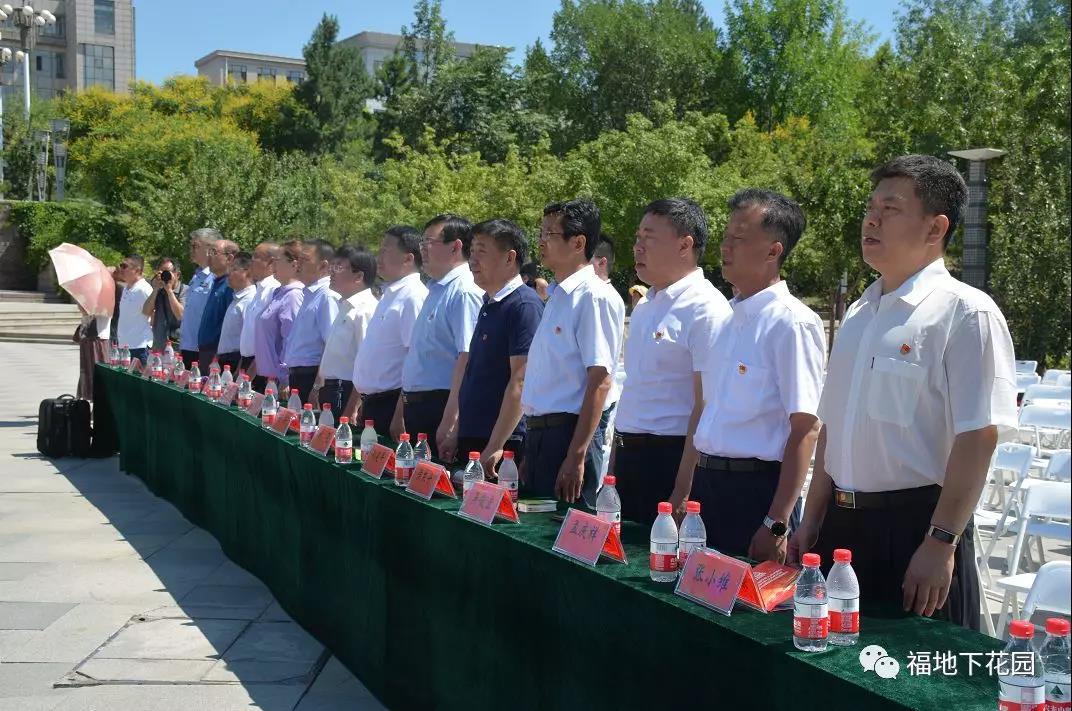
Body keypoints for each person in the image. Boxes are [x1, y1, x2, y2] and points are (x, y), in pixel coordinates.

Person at [788, 155, 1017, 630]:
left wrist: (940, 541)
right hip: (841, 529)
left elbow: (978, 437)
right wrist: (811, 520)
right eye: (870, 208)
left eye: (890, 209)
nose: (871, 220)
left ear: (935, 228)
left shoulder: (965, 313)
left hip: (916, 532)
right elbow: (832, 428)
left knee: (918, 669)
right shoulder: (859, 313)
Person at [691, 189, 826, 562]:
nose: (726, 247)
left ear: (773, 251)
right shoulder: (727, 319)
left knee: (752, 599)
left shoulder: (792, 323)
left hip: (756, 494)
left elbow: (805, 428)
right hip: (708, 486)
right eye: (726, 236)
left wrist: (776, 522)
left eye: (739, 238)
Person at [611, 198, 731, 526]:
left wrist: (683, 489)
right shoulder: (646, 305)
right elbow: (634, 391)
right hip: (629, 457)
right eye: (637, 238)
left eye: (649, 238)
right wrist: (613, 468)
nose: (637, 247)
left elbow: (706, 404)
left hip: (670, 460)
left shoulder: (706, 307)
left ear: (684, 245)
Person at [520, 199, 625, 507]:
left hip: (570, 434)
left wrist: (576, 455)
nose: (541, 241)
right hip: (541, 434)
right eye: (540, 233)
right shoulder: (558, 295)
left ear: (578, 243)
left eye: (550, 233)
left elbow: (600, 381)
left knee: (566, 527)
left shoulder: (593, 296)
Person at [454, 218, 544, 474]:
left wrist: (495, 446)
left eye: (481, 251)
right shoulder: (490, 302)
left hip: (501, 446)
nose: (472, 260)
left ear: (509, 258)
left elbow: (521, 380)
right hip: (475, 437)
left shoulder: (523, 305)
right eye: (471, 251)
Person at [397, 214, 483, 460]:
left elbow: (467, 357)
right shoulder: (436, 289)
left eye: (429, 242)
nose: (422, 249)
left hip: (441, 405)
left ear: (455, 247)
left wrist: (451, 419)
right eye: (422, 242)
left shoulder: (464, 290)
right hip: (420, 407)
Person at [346, 226, 428, 436]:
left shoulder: (413, 297)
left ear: (408, 259)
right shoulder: (390, 293)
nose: (378, 256)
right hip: (373, 403)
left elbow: (415, 359)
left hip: (392, 405)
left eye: (385, 250)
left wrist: (400, 415)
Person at [314, 246, 378, 414]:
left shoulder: (365, 310)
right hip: (331, 389)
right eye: (332, 266)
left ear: (358, 276)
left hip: (346, 392)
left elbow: (367, 365)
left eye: (338, 267)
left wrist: (353, 408)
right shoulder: (345, 306)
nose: (331, 272)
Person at [283, 240, 339, 402]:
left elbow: (331, 345)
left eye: (304, 259)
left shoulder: (327, 295)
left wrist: (317, 386)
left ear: (323, 265)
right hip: (299, 375)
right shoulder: (310, 294)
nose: (297, 264)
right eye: (298, 259)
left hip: (311, 376)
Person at [253, 240, 305, 393]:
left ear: (294, 264)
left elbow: (290, 339)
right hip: (268, 377)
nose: (273, 264)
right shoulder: (279, 292)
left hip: (279, 381)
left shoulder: (294, 295)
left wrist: (286, 378)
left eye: (277, 260)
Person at [238, 242, 281, 376]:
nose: (251, 260)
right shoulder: (260, 289)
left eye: (256, 256)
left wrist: (253, 369)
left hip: (260, 366)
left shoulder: (274, 289)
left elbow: (272, 335)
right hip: (247, 362)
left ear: (271, 262)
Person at [178, 228, 219, 367]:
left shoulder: (216, 277)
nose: (191, 249)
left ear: (210, 249)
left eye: (195, 246)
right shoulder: (196, 276)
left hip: (203, 349)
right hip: (187, 346)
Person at [196, 238, 239, 366]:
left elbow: (230, 324)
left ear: (229, 258)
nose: (209, 256)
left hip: (216, 354)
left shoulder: (230, 285)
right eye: (209, 252)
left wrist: (217, 355)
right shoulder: (216, 281)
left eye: (214, 252)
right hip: (205, 351)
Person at [215, 252, 256, 374]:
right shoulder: (237, 298)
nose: (229, 273)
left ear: (248, 272)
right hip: (225, 361)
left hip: (236, 362)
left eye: (234, 269)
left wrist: (239, 371)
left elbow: (250, 342)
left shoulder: (250, 300)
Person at [114, 254, 153, 364]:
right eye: (121, 265)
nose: (121, 269)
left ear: (137, 270)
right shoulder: (126, 288)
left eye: (124, 266)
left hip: (139, 347)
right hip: (125, 346)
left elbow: (154, 315)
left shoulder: (144, 289)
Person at [141, 256, 185, 352]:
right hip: (158, 347)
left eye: (167, 272)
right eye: (161, 272)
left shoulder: (185, 290)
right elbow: (146, 312)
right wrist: (156, 288)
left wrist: (169, 291)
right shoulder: (158, 291)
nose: (164, 275)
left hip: (178, 349)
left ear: (177, 274)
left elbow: (181, 315)